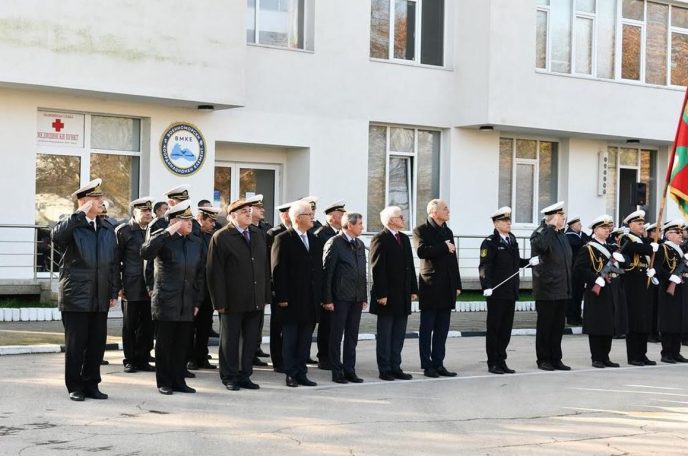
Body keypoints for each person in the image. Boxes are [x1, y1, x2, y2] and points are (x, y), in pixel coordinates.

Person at [51, 178, 119, 401]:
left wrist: (113, 291)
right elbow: (56, 237)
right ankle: (75, 386)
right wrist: (79, 214)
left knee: (96, 344)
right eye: (96, 198)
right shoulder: (72, 225)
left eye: (101, 197)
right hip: (76, 296)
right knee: (76, 345)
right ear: (84, 202)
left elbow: (113, 263)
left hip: (100, 295)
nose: (101, 201)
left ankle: (91, 384)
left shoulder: (107, 228)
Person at [206, 196, 271, 391]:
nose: (249, 214)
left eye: (250, 211)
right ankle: (229, 376)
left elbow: (264, 267)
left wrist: (265, 295)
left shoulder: (258, 234)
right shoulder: (221, 237)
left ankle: (245, 375)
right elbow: (214, 272)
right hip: (232, 300)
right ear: (232, 215)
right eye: (244, 212)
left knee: (250, 340)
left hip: (254, 297)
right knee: (230, 340)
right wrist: (219, 301)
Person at [141, 201, 205, 395]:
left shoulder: (196, 242)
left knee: (182, 344)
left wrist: (197, 301)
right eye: (185, 220)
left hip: (187, 301)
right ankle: (164, 382)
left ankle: (179, 381)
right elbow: (145, 252)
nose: (190, 223)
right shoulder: (163, 239)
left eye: (191, 219)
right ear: (174, 222)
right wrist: (167, 232)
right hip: (166, 300)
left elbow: (200, 274)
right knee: (165, 344)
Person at [272, 200, 323, 387]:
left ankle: (302, 372)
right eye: (309, 214)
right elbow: (278, 270)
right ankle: (291, 373)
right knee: (291, 339)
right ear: (298, 218)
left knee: (305, 339)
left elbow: (318, 271)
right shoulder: (283, 239)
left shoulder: (314, 240)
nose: (313, 218)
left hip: (310, 299)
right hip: (291, 300)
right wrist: (282, 297)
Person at [479, 207, 536, 374]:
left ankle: (501, 360)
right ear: (496, 224)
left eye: (509, 220)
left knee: (506, 329)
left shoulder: (512, 239)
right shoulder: (490, 242)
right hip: (496, 292)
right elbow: (485, 266)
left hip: (510, 291)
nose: (509, 223)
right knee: (494, 328)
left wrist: (529, 261)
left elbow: (516, 262)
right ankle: (493, 362)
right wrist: (486, 286)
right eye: (505, 221)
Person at [413, 199, 462, 378]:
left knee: (442, 329)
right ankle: (427, 366)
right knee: (427, 329)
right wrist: (443, 246)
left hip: (447, 286)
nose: (448, 211)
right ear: (434, 212)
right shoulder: (420, 230)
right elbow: (421, 252)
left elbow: (453, 259)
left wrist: (457, 284)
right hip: (431, 285)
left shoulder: (448, 231)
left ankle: (439, 363)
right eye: (445, 208)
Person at [370, 206, 418, 381]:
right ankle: (385, 369)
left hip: (402, 295)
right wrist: (381, 294)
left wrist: (413, 288)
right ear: (391, 220)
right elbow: (377, 268)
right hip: (387, 296)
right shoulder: (380, 238)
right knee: (385, 334)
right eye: (400, 217)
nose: (403, 219)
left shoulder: (403, 238)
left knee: (398, 334)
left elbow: (410, 265)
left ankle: (396, 366)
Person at [573, 215, 626, 368]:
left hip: (611, 289)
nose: (607, 230)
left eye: (608, 228)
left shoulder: (611, 248)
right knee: (597, 324)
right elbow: (579, 269)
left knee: (609, 323)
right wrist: (594, 279)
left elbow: (623, 267)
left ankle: (605, 356)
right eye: (603, 228)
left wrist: (623, 260)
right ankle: (596, 357)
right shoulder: (588, 248)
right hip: (596, 290)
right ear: (595, 230)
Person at [323, 212, 368, 384]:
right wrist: (327, 299)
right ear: (350, 225)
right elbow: (327, 272)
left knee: (352, 336)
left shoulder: (360, 244)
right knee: (336, 336)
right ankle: (337, 371)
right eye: (360, 224)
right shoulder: (335, 242)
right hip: (340, 297)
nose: (362, 227)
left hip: (356, 298)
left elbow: (362, 272)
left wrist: (363, 296)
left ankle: (350, 370)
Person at [530, 201, 573, 371]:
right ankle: (543, 359)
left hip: (562, 288)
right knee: (545, 327)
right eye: (562, 216)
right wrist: (550, 227)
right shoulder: (540, 233)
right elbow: (541, 247)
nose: (564, 219)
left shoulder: (561, 234)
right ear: (554, 217)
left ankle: (556, 358)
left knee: (557, 327)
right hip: (547, 289)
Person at [116, 196, 155, 374]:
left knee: (147, 326)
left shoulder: (153, 230)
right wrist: (117, 285)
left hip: (150, 286)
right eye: (144, 210)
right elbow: (115, 261)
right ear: (135, 212)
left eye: (149, 210)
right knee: (130, 325)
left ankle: (143, 359)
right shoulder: (124, 231)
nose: (148, 214)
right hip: (131, 285)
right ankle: (130, 360)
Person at [619, 210, 659, 366]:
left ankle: (642, 354)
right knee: (634, 321)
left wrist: (652, 270)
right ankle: (633, 356)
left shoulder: (643, 241)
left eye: (643, 223)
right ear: (630, 225)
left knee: (644, 320)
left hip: (645, 283)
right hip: (632, 284)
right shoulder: (626, 238)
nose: (642, 226)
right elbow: (631, 248)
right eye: (639, 223)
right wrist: (650, 248)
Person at [187, 205, 221, 371]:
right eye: (210, 221)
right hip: (193, 288)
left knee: (205, 326)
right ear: (200, 219)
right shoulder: (191, 237)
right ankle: (190, 358)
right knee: (190, 326)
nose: (213, 224)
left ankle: (202, 356)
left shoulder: (210, 237)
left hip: (207, 288)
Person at [313, 200, 346, 370]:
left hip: (340, 286)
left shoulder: (340, 235)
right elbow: (321, 265)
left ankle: (333, 356)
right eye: (341, 215)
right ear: (332, 217)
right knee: (326, 325)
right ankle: (324, 357)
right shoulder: (321, 234)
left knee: (336, 325)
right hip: (327, 286)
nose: (344, 218)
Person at [266, 201, 294, 373]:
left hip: (293, 288)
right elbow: (272, 263)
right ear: (284, 215)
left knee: (290, 326)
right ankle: (278, 360)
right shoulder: (274, 233)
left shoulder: (297, 233)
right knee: (277, 326)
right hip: (278, 287)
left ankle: (289, 357)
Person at [655, 219, 688, 364]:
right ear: (668, 234)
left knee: (678, 320)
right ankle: (666, 353)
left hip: (680, 288)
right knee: (669, 321)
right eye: (677, 232)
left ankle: (676, 352)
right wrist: (670, 277)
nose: (681, 235)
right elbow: (658, 268)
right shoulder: (663, 248)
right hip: (668, 289)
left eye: (681, 232)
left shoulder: (680, 250)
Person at [250, 195, 271, 365]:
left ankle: (255, 348)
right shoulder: (246, 230)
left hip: (261, 282)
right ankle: (248, 354)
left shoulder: (264, 229)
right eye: (259, 207)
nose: (262, 210)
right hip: (248, 285)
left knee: (258, 321)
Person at [565, 216, 589, 326]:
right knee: (573, 294)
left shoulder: (582, 235)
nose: (581, 225)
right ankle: (571, 317)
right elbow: (577, 245)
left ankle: (578, 316)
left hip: (580, 269)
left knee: (579, 294)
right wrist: (584, 244)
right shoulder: (568, 236)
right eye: (579, 224)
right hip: (572, 269)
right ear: (572, 225)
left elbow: (588, 242)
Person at [645, 223, 661, 344]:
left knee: (656, 307)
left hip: (657, 277)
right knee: (649, 307)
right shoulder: (647, 244)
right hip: (648, 277)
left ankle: (655, 332)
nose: (659, 233)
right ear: (651, 233)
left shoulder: (660, 244)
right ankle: (649, 333)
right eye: (657, 231)